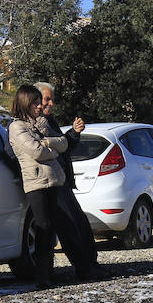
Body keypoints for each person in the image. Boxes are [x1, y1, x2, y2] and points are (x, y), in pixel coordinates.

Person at [8, 85, 89, 289]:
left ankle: (49, 273)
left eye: (39, 102)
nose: (39, 107)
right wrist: (50, 148)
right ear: (25, 103)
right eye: (35, 103)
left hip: (54, 180)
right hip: (36, 183)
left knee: (50, 229)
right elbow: (37, 152)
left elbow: (63, 144)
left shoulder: (42, 123)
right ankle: (42, 276)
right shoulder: (17, 127)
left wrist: (47, 143)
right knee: (42, 226)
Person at [34, 82, 109, 280]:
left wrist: (74, 134)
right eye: (46, 99)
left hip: (62, 179)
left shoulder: (50, 121)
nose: (50, 103)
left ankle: (91, 263)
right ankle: (83, 267)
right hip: (49, 182)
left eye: (52, 99)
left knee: (80, 222)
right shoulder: (30, 123)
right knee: (68, 227)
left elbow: (63, 146)